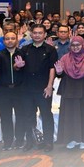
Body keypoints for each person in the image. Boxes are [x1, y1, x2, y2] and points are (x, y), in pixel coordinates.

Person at [18, 24, 57, 152]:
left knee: (46, 115)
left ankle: (48, 142)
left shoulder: (51, 50)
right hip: (27, 89)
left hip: (43, 89)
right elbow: (17, 66)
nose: (37, 35)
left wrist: (50, 86)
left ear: (45, 34)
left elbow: (52, 69)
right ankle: (30, 141)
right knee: (28, 116)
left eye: (40, 33)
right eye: (35, 33)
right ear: (31, 34)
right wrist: (17, 66)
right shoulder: (24, 49)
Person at [54, 36, 84, 149]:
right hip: (69, 90)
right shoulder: (65, 58)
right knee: (69, 115)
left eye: (78, 45)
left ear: (83, 45)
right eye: (73, 45)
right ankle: (71, 139)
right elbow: (60, 74)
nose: (75, 47)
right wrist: (59, 72)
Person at [0, 31, 26, 150]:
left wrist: (21, 67)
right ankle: (8, 141)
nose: (10, 41)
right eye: (7, 39)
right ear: (3, 41)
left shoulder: (23, 53)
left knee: (21, 116)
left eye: (12, 38)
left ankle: (20, 140)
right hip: (3, 90)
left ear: (17, 40)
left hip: (20, 90)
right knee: (5, 117)